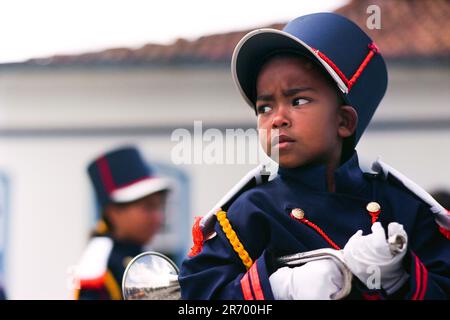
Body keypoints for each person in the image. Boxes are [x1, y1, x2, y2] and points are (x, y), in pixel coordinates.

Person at [179, 13, 450, 300]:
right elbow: (197, 299)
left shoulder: (402, 207)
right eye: (264, 108)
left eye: (299, 101)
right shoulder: (250, 212)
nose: (277, 119)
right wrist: (281, 289)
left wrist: (402, 279)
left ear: (344, 122)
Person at [74, 146, 170, 300]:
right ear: (114, 212)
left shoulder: (141, 254)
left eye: (159, 207)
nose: (158, 217)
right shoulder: (100, 265)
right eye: (148, 207)